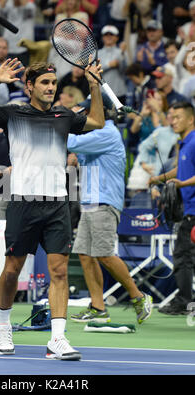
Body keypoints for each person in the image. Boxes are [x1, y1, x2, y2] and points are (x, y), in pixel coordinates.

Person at [0, 58, 105, 360]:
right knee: (12, 269)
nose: (51, 88)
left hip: (56, 204)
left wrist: (94, 85)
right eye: (45, 83)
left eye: (53, 83)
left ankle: (57, 339)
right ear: (29, 86)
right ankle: (2, 326)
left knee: (60, 271)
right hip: (23, 202)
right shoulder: (13, 113)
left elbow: (97, 122)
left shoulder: (64, 115)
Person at [67, 95, 153, 325]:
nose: (84, 115)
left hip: (104, 202)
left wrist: (52, 123)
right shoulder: (95, 134)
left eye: (86, 111)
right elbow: (78, 153)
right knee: (85, 254)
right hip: (90, 201)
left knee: (104, 254)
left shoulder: (106, 132)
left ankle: (138, 296)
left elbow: (69, 142)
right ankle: (98, 307)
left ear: (100, 112)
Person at [149, 101, 195, 315]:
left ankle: (185, 301)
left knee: (183, 256)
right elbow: (181, 169)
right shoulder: (185, 143)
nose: (172, 121)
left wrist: (182, 184)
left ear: (190, 118)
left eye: (177, 117)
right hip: (189, 211)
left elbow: (185, 176)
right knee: (184, 255)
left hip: (193, 212)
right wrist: (159, 178)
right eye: (171, 117)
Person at [98, 25, 128, 104]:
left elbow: (125, 70)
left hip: (118, 92)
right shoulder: (97, 53)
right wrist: (109, 65)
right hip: (102, 92)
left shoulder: (121, 52)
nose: (108, 37)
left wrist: (122, 54)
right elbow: (95, 71)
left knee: (120, 116)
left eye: (111, 35)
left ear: (117, 37)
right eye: (106, 35)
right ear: (102, 37)